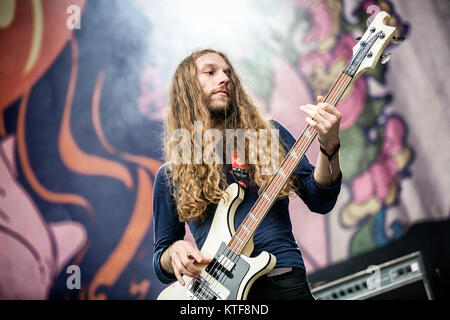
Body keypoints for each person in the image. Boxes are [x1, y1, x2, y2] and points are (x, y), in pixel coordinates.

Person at [152, 49, 342, 300]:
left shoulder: (268, 136)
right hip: (220, 293)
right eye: (210, 72)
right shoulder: (170, 174)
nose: (225, 78)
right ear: (187, 89)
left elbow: (320, 199)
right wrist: (174, 251)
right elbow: (161, 259)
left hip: (282, 279)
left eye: (228, 73)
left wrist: (329, 148)